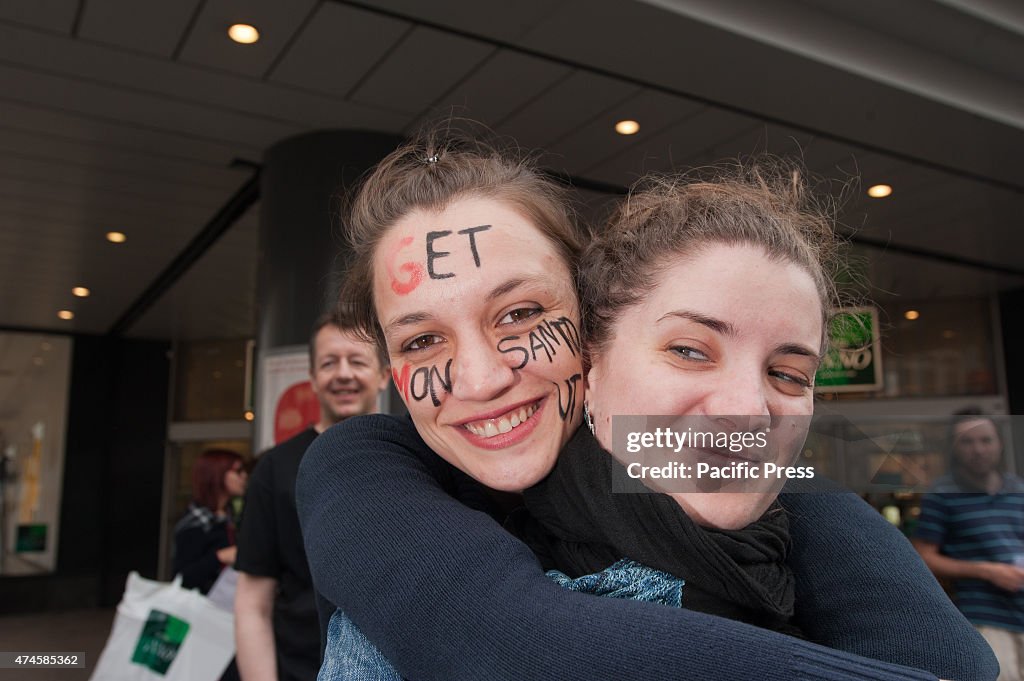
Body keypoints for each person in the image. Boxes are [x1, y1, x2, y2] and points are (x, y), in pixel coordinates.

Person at [298, 129, 996, 681]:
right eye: (423, 339)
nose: (479, 378)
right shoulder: (368, 471)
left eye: (518, 313)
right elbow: (514, 636)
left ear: (591, 323)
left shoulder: (784, 505)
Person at [234, 314, 389, 681]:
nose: (343, 373)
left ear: (384, 375)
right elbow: (253, 601)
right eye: (329, 362)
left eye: (357, 360)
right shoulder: (274, 468)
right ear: (313, 379)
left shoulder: (417, 455)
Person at [914, 408, 1024, 680]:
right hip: (985, 620)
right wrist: (987, 571)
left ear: (999, 443)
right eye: (967, 441)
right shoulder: (941, 495)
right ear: (953, 447)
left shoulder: (1017, 488)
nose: (978, 449)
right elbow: (923, 556)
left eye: (986, 440)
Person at [173, 448, 247, 594]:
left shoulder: (229, 515)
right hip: (202, 609)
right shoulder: (195, 522)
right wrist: (220, 557)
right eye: (238, 471)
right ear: (217, 474)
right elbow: (183, 578)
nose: (244, 476)